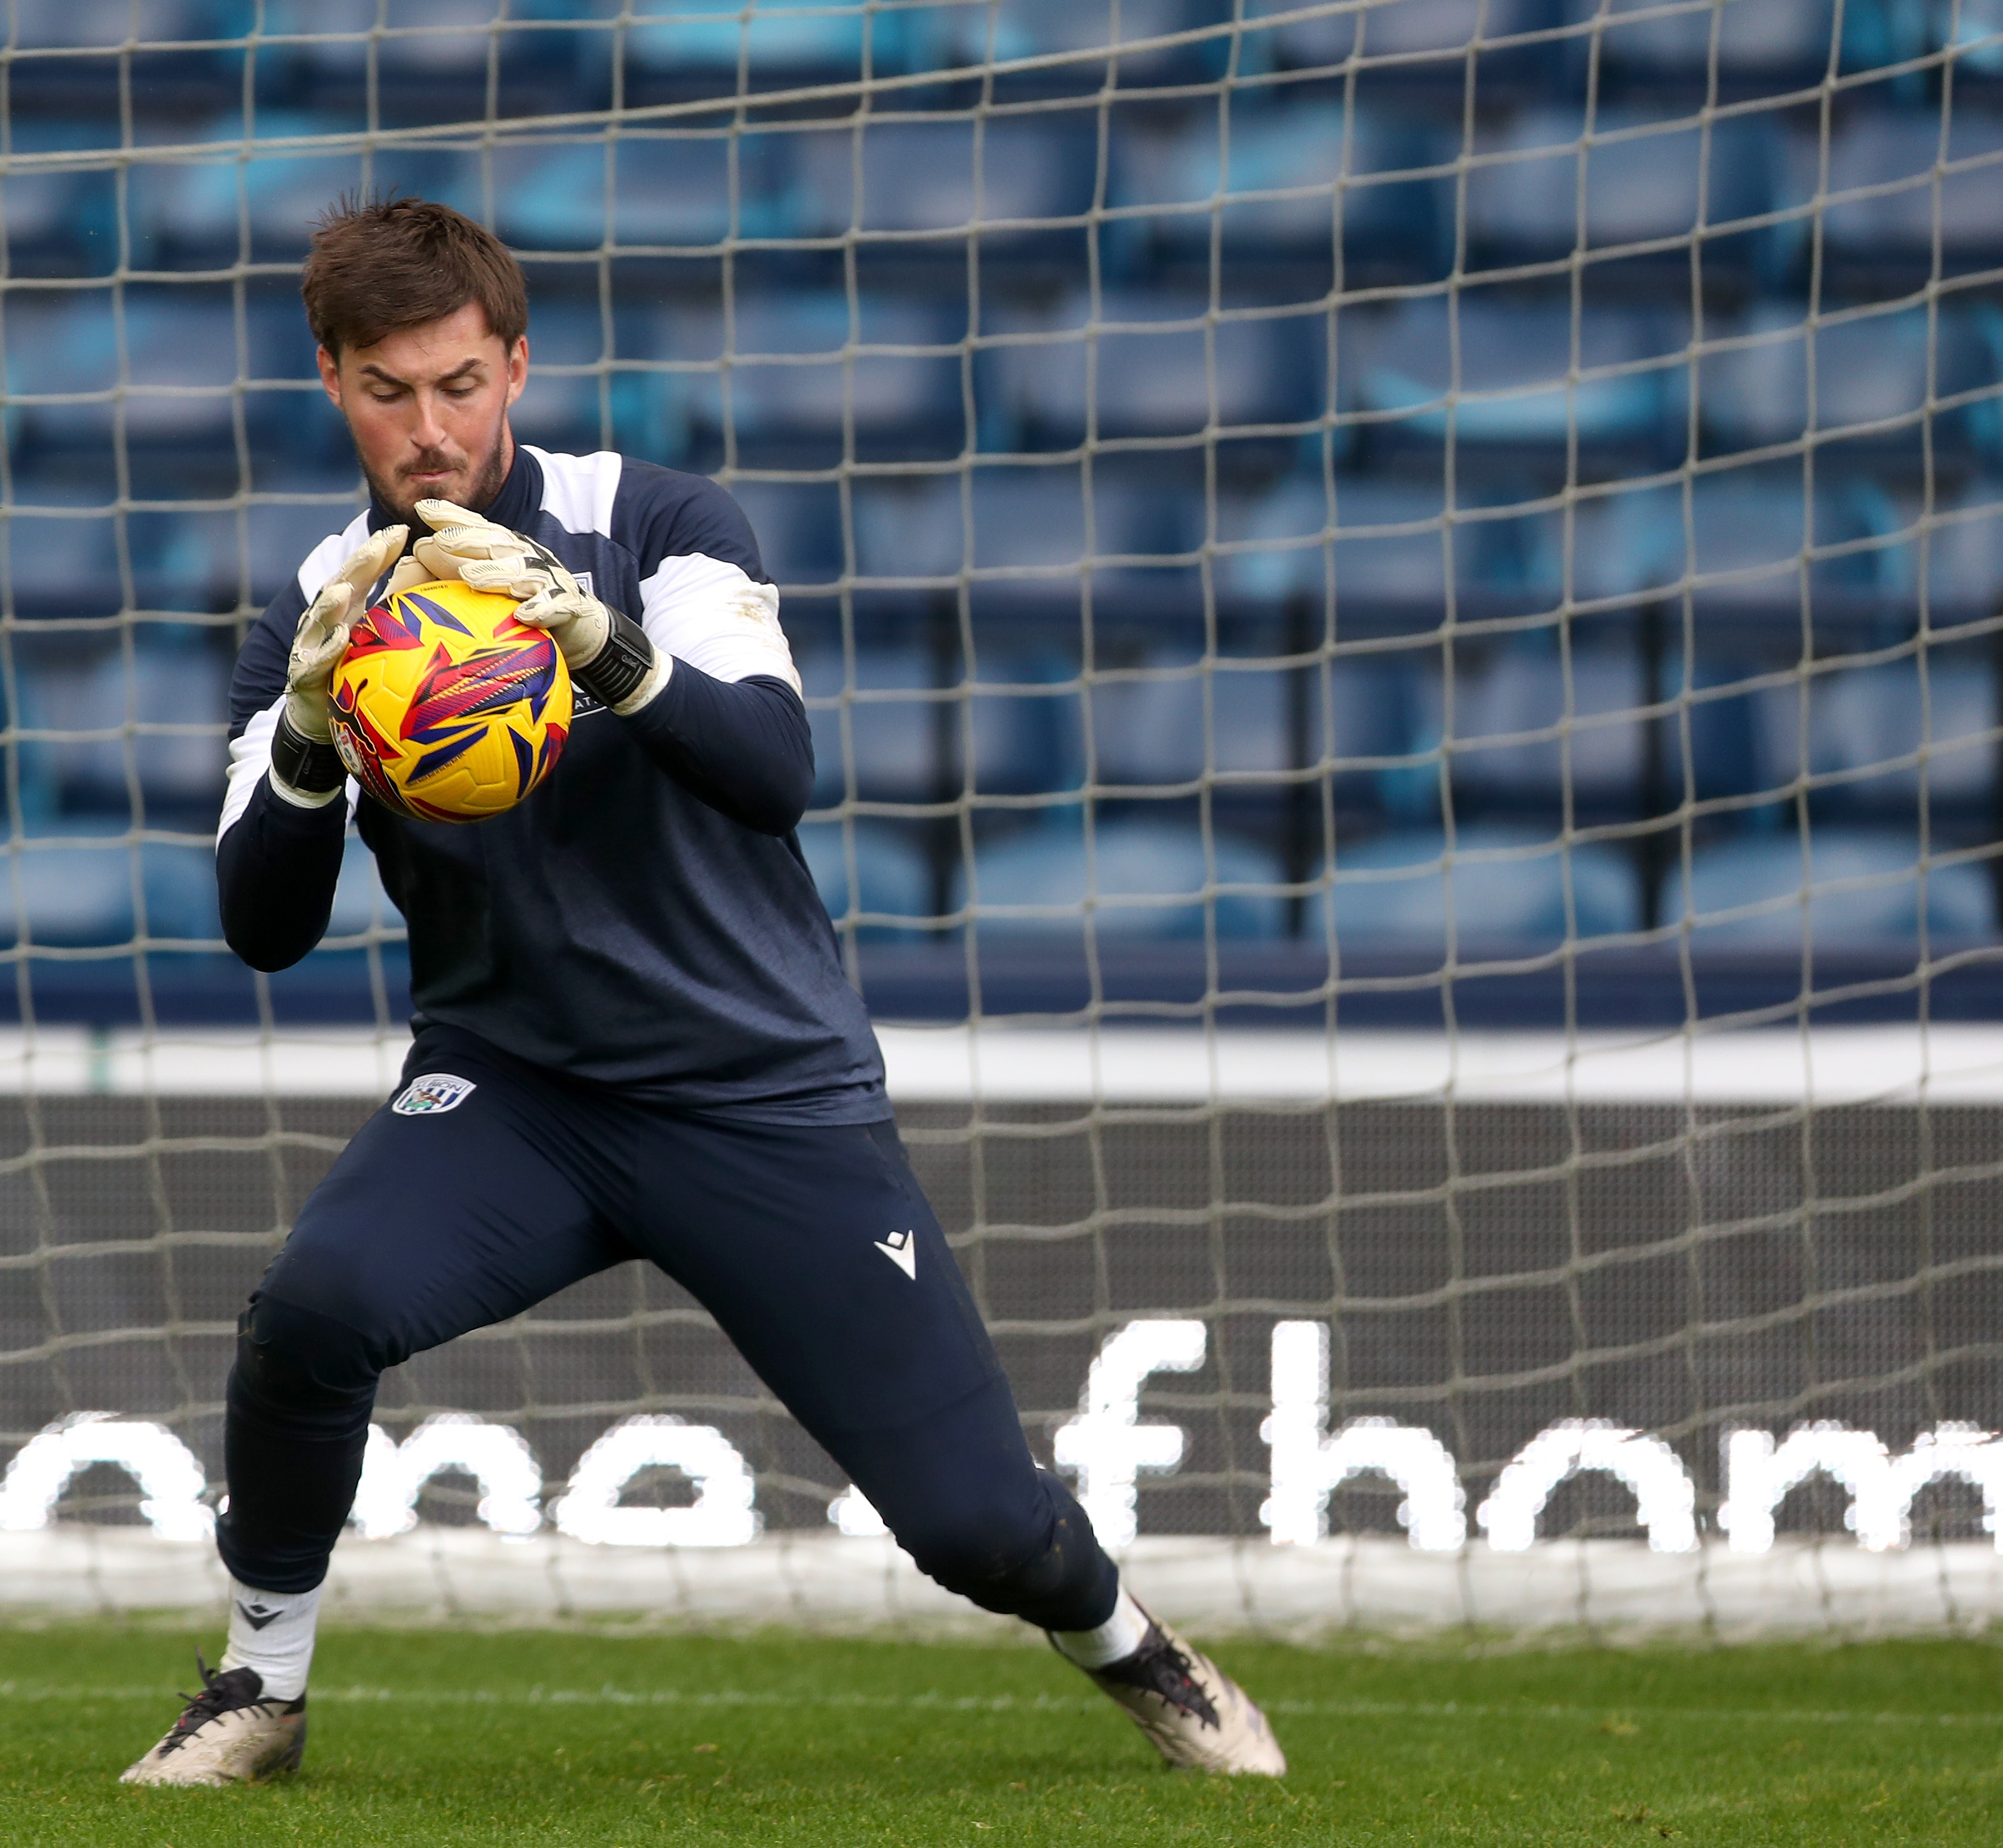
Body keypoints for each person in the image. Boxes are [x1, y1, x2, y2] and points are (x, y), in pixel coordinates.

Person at [125, 198, 1284, 1787]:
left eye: (460, 383)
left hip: (758, 1088)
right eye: (388, 391)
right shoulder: (317, 616)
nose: (431, 427)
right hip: (517, 1095)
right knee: (312, 1311)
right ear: (330, 380)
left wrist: (598, 649)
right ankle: (260, 1689)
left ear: (515, 364)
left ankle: (1134, 1649)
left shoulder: (657, 524)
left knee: (970, 1524)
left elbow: (774, 772)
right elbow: (261, 930)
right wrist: (318, 735)